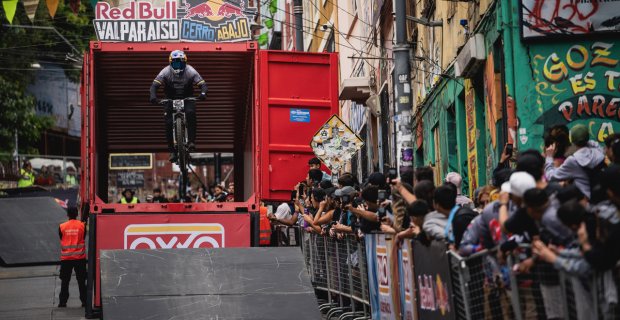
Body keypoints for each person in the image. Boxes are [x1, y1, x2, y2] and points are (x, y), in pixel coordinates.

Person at [149, 50, 208, 163]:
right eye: (175, 64)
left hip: (187, 97)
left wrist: (203, 94)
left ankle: (191, 141)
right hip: (170, 98)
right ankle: (171, 151)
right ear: (171, 63)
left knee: (191, 113)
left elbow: (203, 84)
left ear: (185, 63)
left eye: (180, 63)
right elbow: (154, 86)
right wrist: (153, 97)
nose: (178, 66)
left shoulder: (190, 71)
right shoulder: (165, 72)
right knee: (168, 122)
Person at [544, 124, 606, 201]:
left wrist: (549, 157)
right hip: (604, 197)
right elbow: (593, 143)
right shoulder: (598, 151)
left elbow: (550, 176)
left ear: (572, 140)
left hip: (588, 201)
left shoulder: (573, 161)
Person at [58, 207, 86, 308]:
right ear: (77, 213)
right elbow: (83, 237)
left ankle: (62, 302)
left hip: (66, 259)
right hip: (79, 258)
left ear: (67, 214)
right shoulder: (82, 226)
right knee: (81, 281)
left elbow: (61, 238)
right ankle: (84, 301)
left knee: (65, 281)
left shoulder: (62, 226)